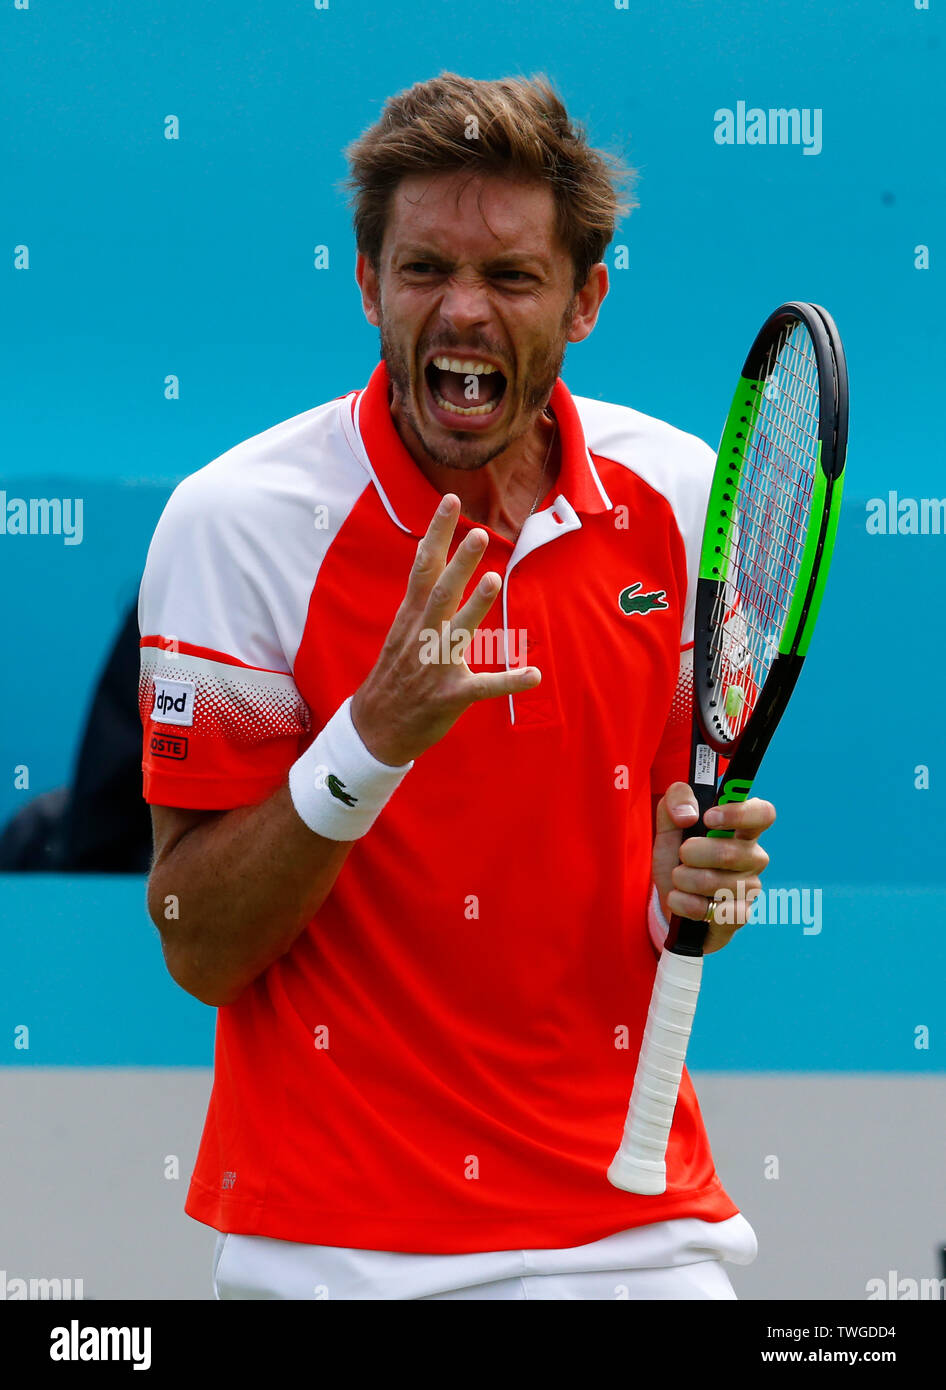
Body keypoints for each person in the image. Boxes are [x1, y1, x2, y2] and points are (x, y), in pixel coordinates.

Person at [138, 72, 774, 1301]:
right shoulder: (237, 526)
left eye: (512, 277)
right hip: (330, 1252)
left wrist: (687, 890)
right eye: (425, 269)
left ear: (585, 299)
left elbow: (652, 879)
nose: (464, 310)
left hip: (642, 1233)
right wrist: (369, 738)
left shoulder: (685, 498)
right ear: (367, 280)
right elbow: (199, 945)